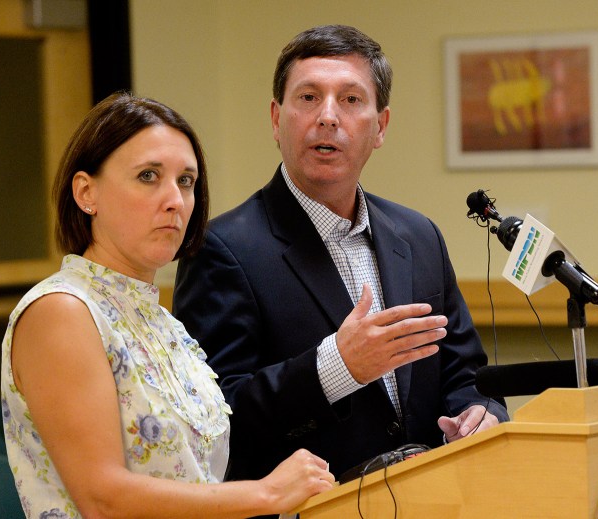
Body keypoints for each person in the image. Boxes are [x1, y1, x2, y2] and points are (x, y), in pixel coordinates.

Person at [173, 25, 509, 486]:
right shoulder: (224, 247)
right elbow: (214, 420)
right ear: (276, 119)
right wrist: (336, 368)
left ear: (380, 127)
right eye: (308, 97)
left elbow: (465, 373)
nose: (328, 117)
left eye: (350, 100)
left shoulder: (419, 235)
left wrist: (480, 414)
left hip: (434, 499)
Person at [0, 92, 334, 519]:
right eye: (147, 176)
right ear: (87, 192)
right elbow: (103, 499)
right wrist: (266, 494)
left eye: (186, 181)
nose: (175, 200)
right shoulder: (61, 310)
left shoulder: (161, 320)